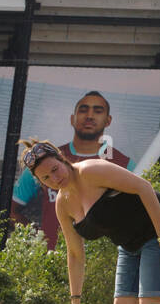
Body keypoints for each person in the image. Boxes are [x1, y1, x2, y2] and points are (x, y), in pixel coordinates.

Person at [22, 139, 160, 304]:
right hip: (128, 245)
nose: (55, 178)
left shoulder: (91, 170)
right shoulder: (63, 203)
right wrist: (75, 302)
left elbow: (144, 187)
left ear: (62, 159)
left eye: (55, 169)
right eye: (46, 178)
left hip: (159, 231)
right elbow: (75, 253)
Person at [12, 90, 132, 249]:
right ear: (72, 119)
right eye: (83, 110)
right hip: (53, 259)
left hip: (105, 263)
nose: (89, 116)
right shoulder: (45, 162)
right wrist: (38, 236)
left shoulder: (123, 163)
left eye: (97, 111)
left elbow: (141, 202)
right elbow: (11, 209)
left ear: (108, 121)